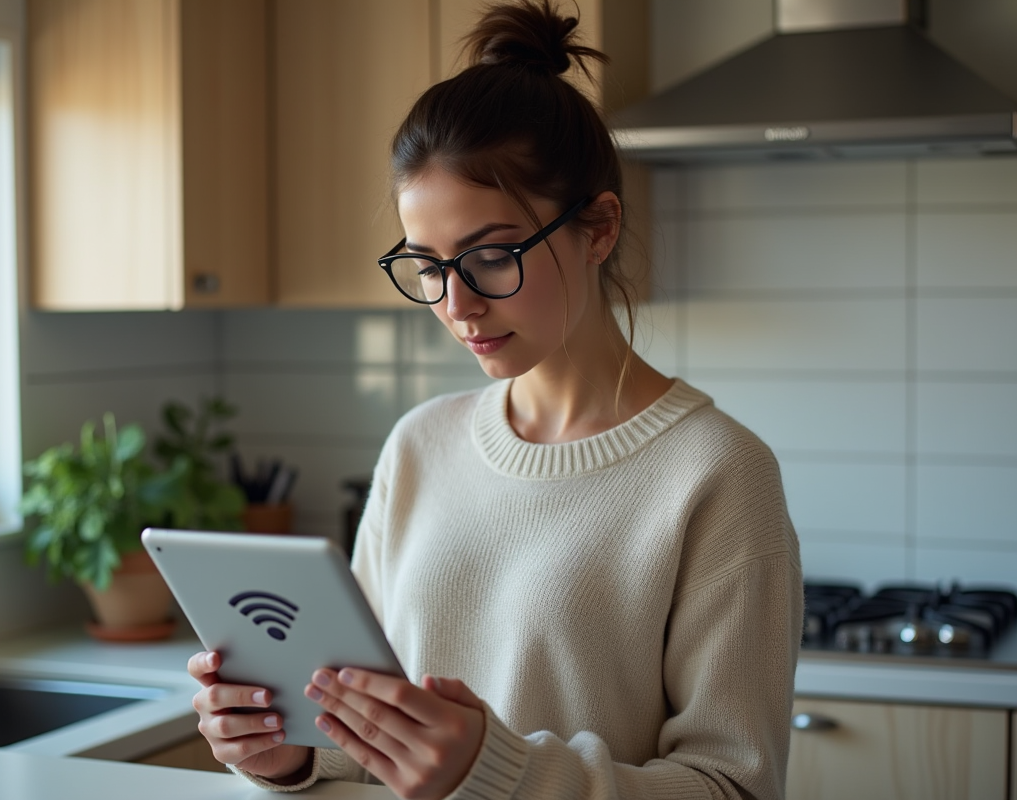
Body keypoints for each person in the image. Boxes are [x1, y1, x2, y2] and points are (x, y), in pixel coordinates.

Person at [188, 1, 803, 798]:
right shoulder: (419, 445)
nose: (457, 303)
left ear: (601, 227)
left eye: (490, 255)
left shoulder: (718, 474)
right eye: (429, 265)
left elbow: (734, 788)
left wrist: (496, 772)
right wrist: (292, 752)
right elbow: (364, 722)